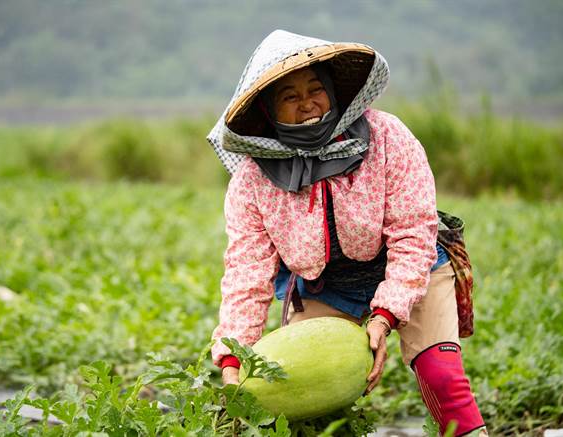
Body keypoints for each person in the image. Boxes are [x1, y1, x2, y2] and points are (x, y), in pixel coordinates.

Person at [207, 30, 486, 436]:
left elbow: (413, 233)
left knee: (441, 377)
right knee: (309, 403)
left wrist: (384, 316)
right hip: (326, 286)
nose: (307, 104)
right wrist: (233, 357)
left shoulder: (389, 137)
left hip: (413, 269)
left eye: (315, 89)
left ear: (334, 92)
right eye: (289, 96)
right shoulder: (253, 179)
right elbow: (245, 275)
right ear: (268, 111)